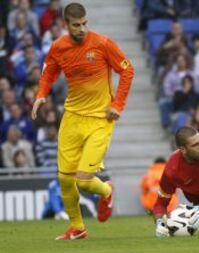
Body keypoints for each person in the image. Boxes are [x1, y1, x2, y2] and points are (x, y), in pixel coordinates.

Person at [31, 3, 135, 240]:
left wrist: (117, 105)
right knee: (65, 179)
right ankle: (77, 228)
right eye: (76, 25)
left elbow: (128, 71)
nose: (82, 29)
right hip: (72, 119)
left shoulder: (102, 43)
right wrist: (41, 95)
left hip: (100, 119)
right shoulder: (59, 47)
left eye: (84, 23)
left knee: (84, 181)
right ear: (66, 25)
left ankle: (107, 191)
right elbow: (49, 73)